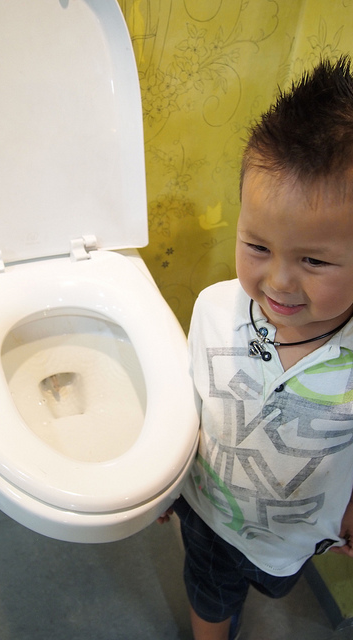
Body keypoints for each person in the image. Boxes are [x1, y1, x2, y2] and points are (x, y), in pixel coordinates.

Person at [160, 56, 353, 640]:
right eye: (257, 246)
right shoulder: (214, 309)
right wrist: (163, 479)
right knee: (209, 596)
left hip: (290, 540)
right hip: (206, 511)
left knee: (269, 580)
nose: (279, 282)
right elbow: (187, 403)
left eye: (313, 260)